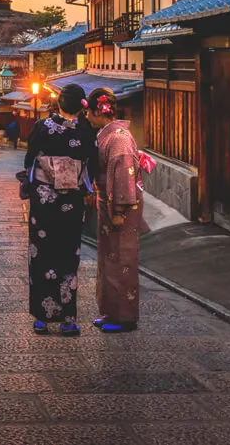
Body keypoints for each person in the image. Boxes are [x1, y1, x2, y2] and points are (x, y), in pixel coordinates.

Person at [24, 84, 96, 336]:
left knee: (41, 254)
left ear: (59, 103)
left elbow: (29, 160)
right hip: (71, 203)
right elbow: (91, 166)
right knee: (68, 256)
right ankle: (68, 319)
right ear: (81, 106)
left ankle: (42, 319)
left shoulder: (41, 127)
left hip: (44, 201)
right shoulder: (86, 130)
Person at [85, 87, 152, 333]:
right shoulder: (109, 135)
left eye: (88, 112)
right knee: (108, 257)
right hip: (109, 201)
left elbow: (124, 175)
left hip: (120, 205)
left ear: (96, 111)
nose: (87, 118)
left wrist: (119, 210)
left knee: (122, 259)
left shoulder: (119, 138)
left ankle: (124, 317)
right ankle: (111, 311)